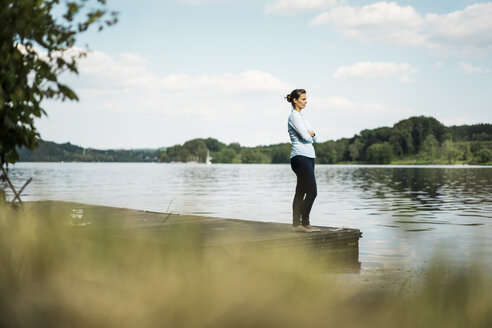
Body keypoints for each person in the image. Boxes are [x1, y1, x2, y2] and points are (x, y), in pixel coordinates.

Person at [286, 89, 321, 233]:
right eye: (303, 99)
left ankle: (302, 223)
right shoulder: (294, 117)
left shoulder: (304, 118)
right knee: (312, 192)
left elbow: (314, 137)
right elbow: (307, 137)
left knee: (301, 191)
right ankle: (299, 222)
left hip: (309, 157)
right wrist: (310, 134)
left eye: (306, 99)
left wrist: (311, 134)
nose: (306, 102)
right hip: (299, 157)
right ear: (295, 100)